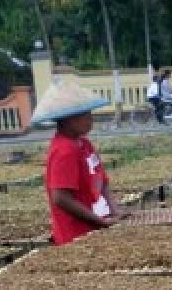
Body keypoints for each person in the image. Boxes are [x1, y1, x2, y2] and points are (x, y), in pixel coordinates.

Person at [30, 80, 121, 246]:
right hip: (76, 235)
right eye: (85, 116)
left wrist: (114, 210)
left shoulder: (84, 144)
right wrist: (98, 221)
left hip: (97, 225)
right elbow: (61, 198)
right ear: (69, 120)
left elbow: (102, 181)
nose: (91, 120)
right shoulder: (64, 150)